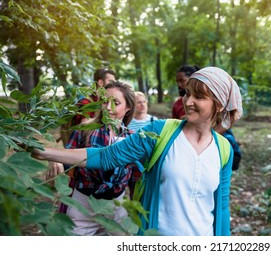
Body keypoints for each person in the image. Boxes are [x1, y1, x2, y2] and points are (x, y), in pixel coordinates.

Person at [32, 66, 243, 236]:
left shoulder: (224, 149)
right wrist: (46, 152)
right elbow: (106, 155)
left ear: (220, 104)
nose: (188, 102)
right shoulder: (160, 132)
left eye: (199, 97)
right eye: (188, 93)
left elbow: (221, 205)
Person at [48, 80, 136, 236]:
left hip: (116, 206)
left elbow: (135, 177)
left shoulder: (133, 139)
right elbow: (68, 156)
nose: (108, 107)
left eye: (115, 102)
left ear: (128, 107)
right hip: (83, 204)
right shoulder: (84, 130)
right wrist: (55, 158)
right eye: (104, 101)